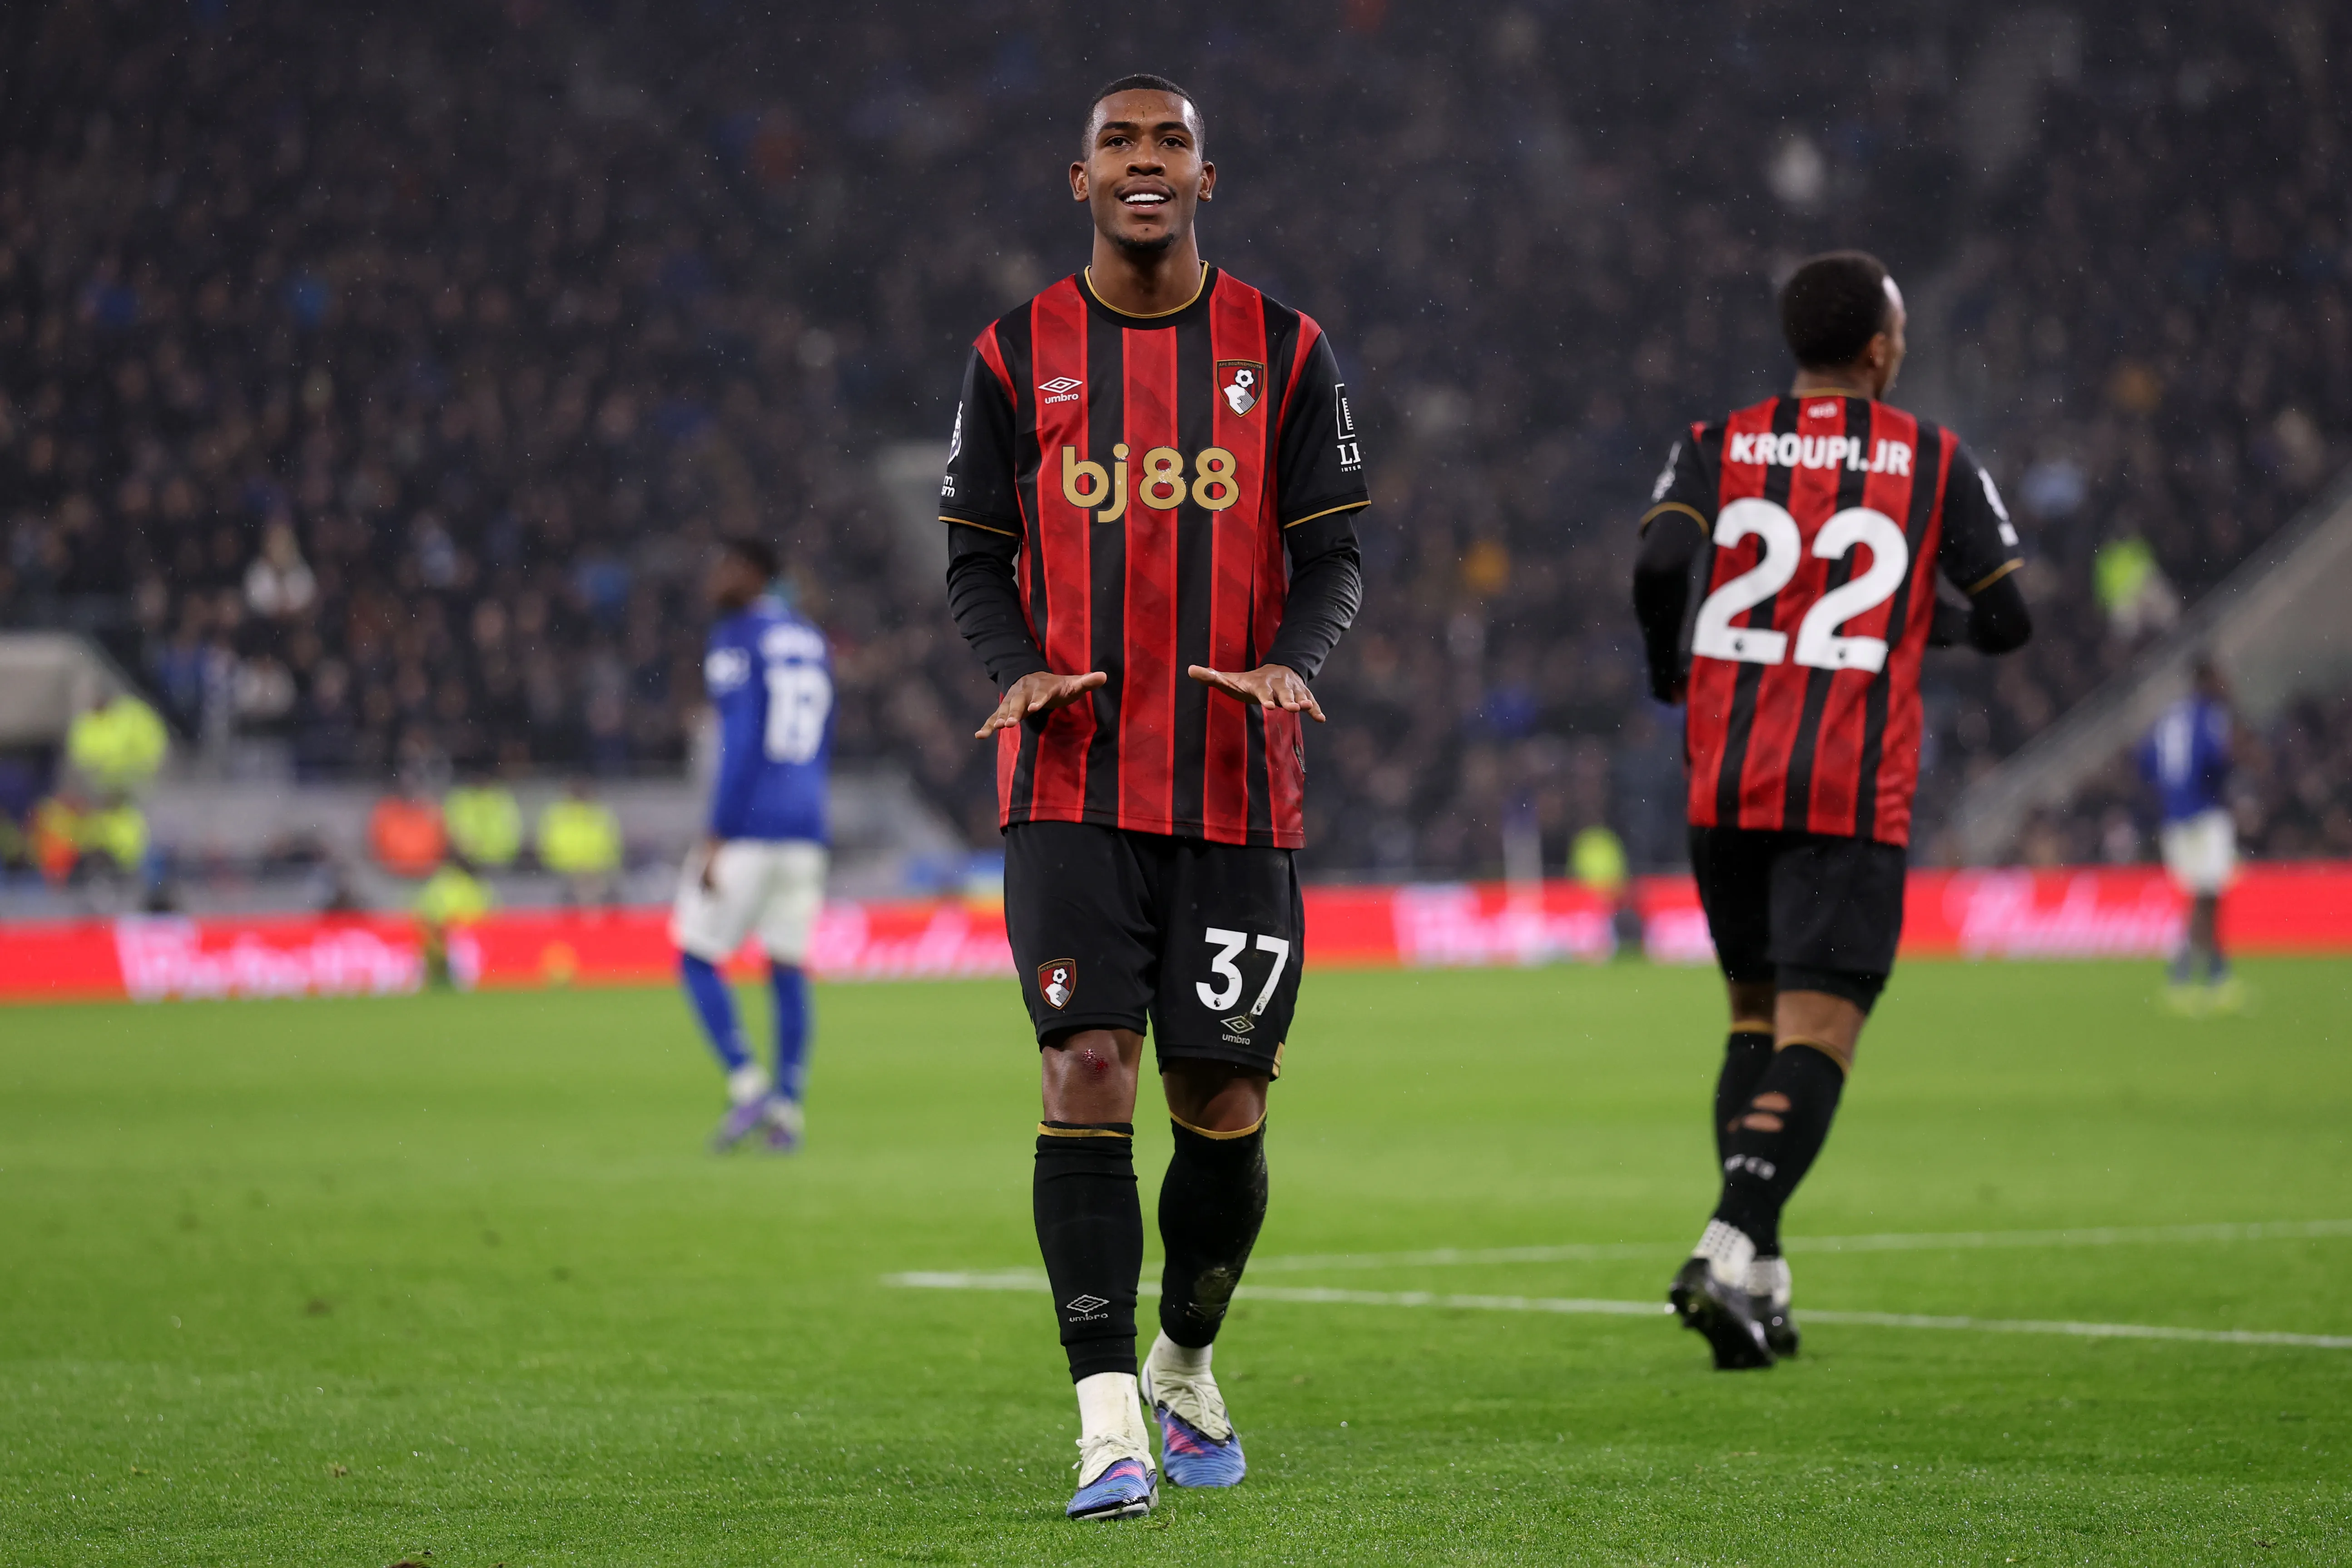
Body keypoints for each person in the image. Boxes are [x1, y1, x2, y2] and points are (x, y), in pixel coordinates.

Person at [941, 74, 1366, 1521]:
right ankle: (1107, 1416)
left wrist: (1291, 664)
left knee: (1223, 1096)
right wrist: (1016, 670)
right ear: (1079, 182)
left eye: (1168, 141)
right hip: (1067, 779)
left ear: (1205, 175)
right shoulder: (1014, 353)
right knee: (1087, 1072)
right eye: (1117, 143)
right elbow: (973, 558)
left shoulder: (1286, 349)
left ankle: (1185, 1356)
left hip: (1239, 787)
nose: (1142, 160)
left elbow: (1333, 559)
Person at [1631, 250, 2034, 1369]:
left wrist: (1666, 663)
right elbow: (2008, 621)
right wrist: (1926, 620)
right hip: (1846, 791)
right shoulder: (1931, 458)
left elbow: (1662, 555)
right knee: (1819, 1035)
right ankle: (1726, 1245)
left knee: (1751, 1019)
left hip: (1725, 779)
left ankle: (1756, 1281)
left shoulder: (1716, 444)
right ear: (1878, 350)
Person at [669, 537, 834, 1154]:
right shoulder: (811, 638)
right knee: (788, 967)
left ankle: (748, 1086)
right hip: (807, 826)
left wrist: (717, 833)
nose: (713, 578)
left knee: (694, 952)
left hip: (751, 824)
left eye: (723, 566)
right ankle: (789, 1108)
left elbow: (739, 745)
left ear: (751, 574)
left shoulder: (737, 637)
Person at [2140, 659, 2239, 1012]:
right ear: (2208, 680)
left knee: (2206, 896)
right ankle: (2183, 973)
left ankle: (2216, 974)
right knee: (2206, 895)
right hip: (2204, 815)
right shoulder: (2211, 715)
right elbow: (2217, 759)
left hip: (2175, 817)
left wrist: (2169, 795)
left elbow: (2145, 760)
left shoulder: (2170, 717)